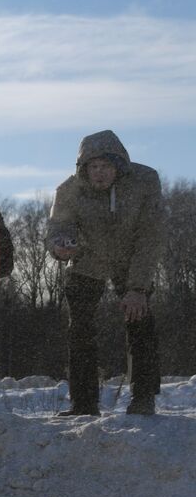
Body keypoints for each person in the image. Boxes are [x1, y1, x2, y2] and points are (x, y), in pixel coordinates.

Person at [46, 130, 165, 417]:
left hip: (131, 259)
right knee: (80, 329)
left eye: (105, 167)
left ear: (119, 165)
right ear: (84, 169)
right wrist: (60, 247)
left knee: (140, 322)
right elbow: (57, 228)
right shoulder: (69, 189)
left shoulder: (145, 182)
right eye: (93, 167)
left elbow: (151, 236)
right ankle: (84, 403)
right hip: (88, 261)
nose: (99, 174)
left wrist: (137, 287)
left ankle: (143, 397)